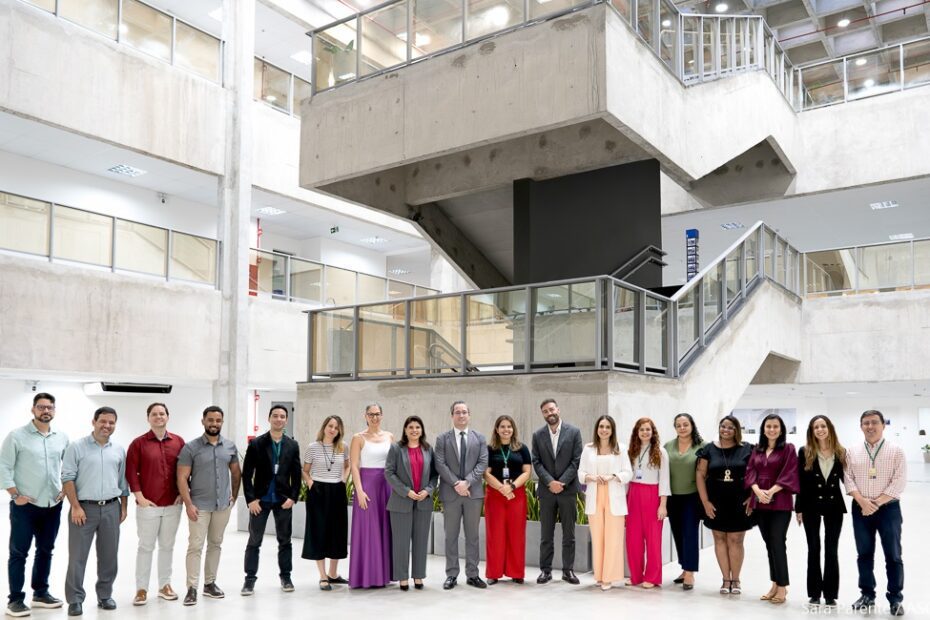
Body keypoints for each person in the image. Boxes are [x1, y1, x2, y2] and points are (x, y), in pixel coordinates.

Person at [0, 393, 69, 618]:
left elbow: (69, 467)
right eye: (41, 407)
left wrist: (65, 490)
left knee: (46, 550)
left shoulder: (61, 438)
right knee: (19, 553)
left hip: (52, 504)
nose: (45, 411)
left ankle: (40, 593)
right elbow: (4, 466)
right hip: (25, 506)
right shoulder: (16, 436)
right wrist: (14, 494)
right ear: (33, 409)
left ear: (54, 410)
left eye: (49, 407)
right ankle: (15, 600)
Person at [61, 406, 129, 617]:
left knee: (109, 555)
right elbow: (67, 478)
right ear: (94, 422)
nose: (107, 426)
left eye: (111, 422)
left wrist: (123, 507)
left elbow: (122, 482)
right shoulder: (76, 447)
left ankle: (105, 595)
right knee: (77, 557)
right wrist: (75, 506)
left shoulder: (118, 450)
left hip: (111, 508)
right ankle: (75, 599)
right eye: (103, 421)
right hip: (83, 509)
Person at [177, 406, 241, 606]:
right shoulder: (191, 448)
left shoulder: (229, 446)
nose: (214, 424)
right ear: (203, 421)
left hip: (222, 506)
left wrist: (233, 498)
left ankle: (210, 583)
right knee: (195, 546)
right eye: (210, 420)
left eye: (218, 420)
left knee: (215, 544)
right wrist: (188, 504)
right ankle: (192, 588)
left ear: (222, 422)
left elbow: (236, 473)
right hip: (199, 506)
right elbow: (181, 478)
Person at [844, 410, 906, 616]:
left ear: (883, 425)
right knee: (864, 554)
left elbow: (899, 482)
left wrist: (876, 503)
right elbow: (848, 479)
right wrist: (863, 502)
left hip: (889, 509)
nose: (870, 426)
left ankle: (895, 598)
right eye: (866, 423)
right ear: (861, 426)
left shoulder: (896, 451)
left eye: (874, 422)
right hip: (860, 509)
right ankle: (867, 595)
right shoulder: (852, 451)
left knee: (893, 555)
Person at [125, 403, 185, 606]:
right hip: (148, 506)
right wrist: (140, 498)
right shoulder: (138, 444)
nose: (158, 417)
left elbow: (185, 470)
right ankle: (141, 589)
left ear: (168, 416)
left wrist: (182, 494)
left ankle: (165, 585)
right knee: (145, 547)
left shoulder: (178, 442)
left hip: (173, 505)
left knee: (167, 546)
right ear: (148, 418)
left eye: (162, 413)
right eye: (154, 414)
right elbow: (131, 472)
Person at [241, 405, 302, 596]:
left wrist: (293, 497)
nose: (279, 419)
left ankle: (286, 577)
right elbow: (246, 474)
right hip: (260, 501)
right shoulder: (257, 444)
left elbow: (297, 474)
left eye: (282, 416)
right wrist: (251, 499)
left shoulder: (292, 445)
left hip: (283, 500)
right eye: (275, 416)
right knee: (254, 541)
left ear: (286, 420)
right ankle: (249, 580)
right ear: (269, 418)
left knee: (285, 541)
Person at [695, 415, 754, 596]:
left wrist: (753, 497)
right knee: (719, 539)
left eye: (730, 427)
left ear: (736, 430)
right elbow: (700, 475)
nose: (726, 430)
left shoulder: (747, 449)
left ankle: (736, 579)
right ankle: (725, 579)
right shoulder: (709, 449)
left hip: (739, 501)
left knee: (736, 540)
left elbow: (757, 473)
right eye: (723, 426)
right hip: (716, 501)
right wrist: (705, 502)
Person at [745, 413, 799, 605]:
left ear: (781, 429)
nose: (772, 429)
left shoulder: (788, 448)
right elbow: (750, 471)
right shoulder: (757, 449)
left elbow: (790, 472)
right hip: (760, 501)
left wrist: (771, 491)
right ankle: (775, 584)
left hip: (780, 501)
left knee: (777, 542)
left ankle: (782, 586)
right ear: (763, 429)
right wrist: (757, 491)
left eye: (776, 426)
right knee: (769, 544)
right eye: (768, 426)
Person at [435, 401, 488, 590]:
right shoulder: (442, 439)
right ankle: (451, 574)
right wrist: (457, 483)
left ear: (469, 415)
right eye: (457, 412)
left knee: (472, 536)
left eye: (464, 412)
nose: (461, 415)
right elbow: (440, 464)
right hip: (451, 493)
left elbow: (482, 463)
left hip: (473, 493)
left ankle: (473, 574)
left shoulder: (479, 438)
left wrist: (467, 482)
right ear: (452, 416)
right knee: (451, 536)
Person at [795, 415, 846, 608]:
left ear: (829, 428)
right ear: (812, 431)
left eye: (823, 426)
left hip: (834, 505)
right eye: (816, 427)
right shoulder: (805, 451)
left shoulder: (840, 451)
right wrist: (798, 508)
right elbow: (800, 481)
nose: (820, 430)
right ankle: (815, 593)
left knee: (832, 550)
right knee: (814, 549)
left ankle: (831, 594)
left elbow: (847, 479)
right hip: (810, 505)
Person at [531, 398, 583, 585]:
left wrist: (561, 482)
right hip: (547, 492)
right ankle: (545, 571)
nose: (549, 413)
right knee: (546, 534)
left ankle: (568, 571)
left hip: (567, 490)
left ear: (558, 410)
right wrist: (550, 482)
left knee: (569, 534)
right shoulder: (538, 435)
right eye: (545, 411)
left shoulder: (574, 432)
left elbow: (576, 461)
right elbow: (536, 461)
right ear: (542, 414)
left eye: (551, 409)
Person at [578, 415, 633, 591]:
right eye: (601, 426)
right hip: (595, 495)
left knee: (613, 538)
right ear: (597, 429)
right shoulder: (588, 449)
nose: (604, 430)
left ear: (612, 430)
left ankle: (609, 578)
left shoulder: (620, 448)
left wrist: (613, 476)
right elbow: (580, 473)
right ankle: (600, 576)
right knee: (598, 538)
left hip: (614, 495)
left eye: (608, 427)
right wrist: (591, 477)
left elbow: (628, 473)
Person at [385, 416, 439, 590]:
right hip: (401, 501)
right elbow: (389, 472)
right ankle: (402, 577)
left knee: (421, 542)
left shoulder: (428, 449)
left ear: (421, 430)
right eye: (411, 427)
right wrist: (406, 491)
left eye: (417, 427)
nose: (414, 430)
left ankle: (418, 576)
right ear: (405, 430)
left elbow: (435, 475)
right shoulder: (396, 448)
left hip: (423, 503)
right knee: (400, 542)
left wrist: (428, 491)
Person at [348, 403, 394, 589]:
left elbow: (394, 463)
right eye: (371, 414)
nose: (374, 417)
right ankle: (366, 576)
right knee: (368, 530)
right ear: (365, 416)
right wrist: (359, 490)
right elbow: (354, 466)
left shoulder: (389, 436)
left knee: (385, 528)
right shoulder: (358, 438)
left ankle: (384, 575)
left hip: (387, 486)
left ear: (382, 415)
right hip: (367, 486)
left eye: (377, 414)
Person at [301, 415, 350, 591]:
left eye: (336, 428)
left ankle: (333, 574)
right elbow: (305, 470)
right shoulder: (312, 447)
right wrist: (310, 483)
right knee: (318, 532)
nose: (333, 430)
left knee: (337, 532)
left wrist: (343, 480)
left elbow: (347, 465)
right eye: (330, 426)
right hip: (318, 491)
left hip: (337, 491)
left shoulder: (343, 447)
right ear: (324, 427)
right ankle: (322, 576)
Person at [483, 415, 532, 585]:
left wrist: (511, 487)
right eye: (502, 426)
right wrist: (501, 488)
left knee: (516, 534)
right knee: (494, 534)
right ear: (497, 430)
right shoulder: (489, 449)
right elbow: (486, 473)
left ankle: (516, 572)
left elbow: (527, 472)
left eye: (509, 426)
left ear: (513, 429)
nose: (506, 430)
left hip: (516, 495)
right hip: (495, 495)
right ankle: (493, 573)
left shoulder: (522, 448)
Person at [625, 417, 670, 589]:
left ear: (653, 432)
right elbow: (627, 478)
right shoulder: (631, 451)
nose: (645, 432)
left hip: (652, 495)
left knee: (653, 539)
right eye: (642, 429)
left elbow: (664, 479)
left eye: (648, 429)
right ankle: (636, 576)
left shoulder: (660, 452)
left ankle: (652, 576)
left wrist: (662, 504)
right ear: (637, 432)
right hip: (633, 494)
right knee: (633, 538)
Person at [664, 413, 705, 591]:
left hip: (692, 496)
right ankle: (684, 567)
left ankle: (690, 572)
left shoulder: (702, 446)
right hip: (672, 497)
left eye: (685, 424)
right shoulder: (668, 446)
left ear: (692, 425)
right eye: (678, 425)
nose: (682, 428)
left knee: (690, 533)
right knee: (678, 533)